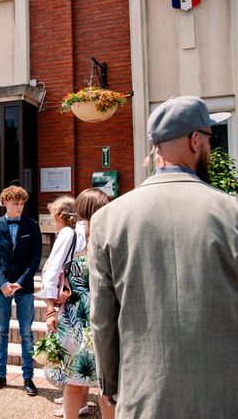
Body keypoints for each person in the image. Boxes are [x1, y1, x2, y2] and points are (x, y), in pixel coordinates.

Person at [88, 95, 238, 418]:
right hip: (224, 398)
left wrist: (110, 384)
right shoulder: (232, 213)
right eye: (211, 138)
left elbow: (101, 319)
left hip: (144, 399)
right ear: (195, 141)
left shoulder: (109, 219)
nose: (211, 148)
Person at [38, 190, 114, 419]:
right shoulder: (72, 234)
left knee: (103, 385)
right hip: (79, 316)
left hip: (96, 315)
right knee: (80, 382)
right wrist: (50, 308)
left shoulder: (109, 234)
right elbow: (51, 272)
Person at [0, 186, 42, 395]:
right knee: (1, 331)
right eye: (15, 203)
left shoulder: (32, 226)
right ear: (5, 202)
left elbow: (35, 258)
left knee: (26, 333)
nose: (19, 207)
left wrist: (20, 282)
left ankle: (28, 377)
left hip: (24, 288)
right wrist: (3, 283)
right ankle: (0, 374)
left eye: (21, 203)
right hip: (2, 288)